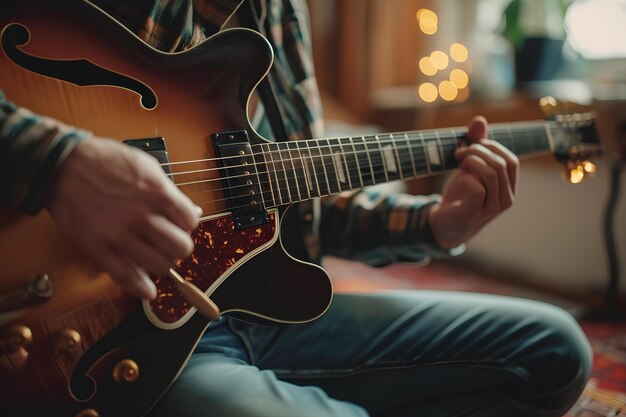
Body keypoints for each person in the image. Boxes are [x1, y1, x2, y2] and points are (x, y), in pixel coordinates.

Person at [0, 1, 592, 416]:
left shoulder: (278, 9)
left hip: (259, 308)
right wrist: (59, 164)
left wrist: (438, 223)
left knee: (555, 350)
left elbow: (299, 208)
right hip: (118, 338)